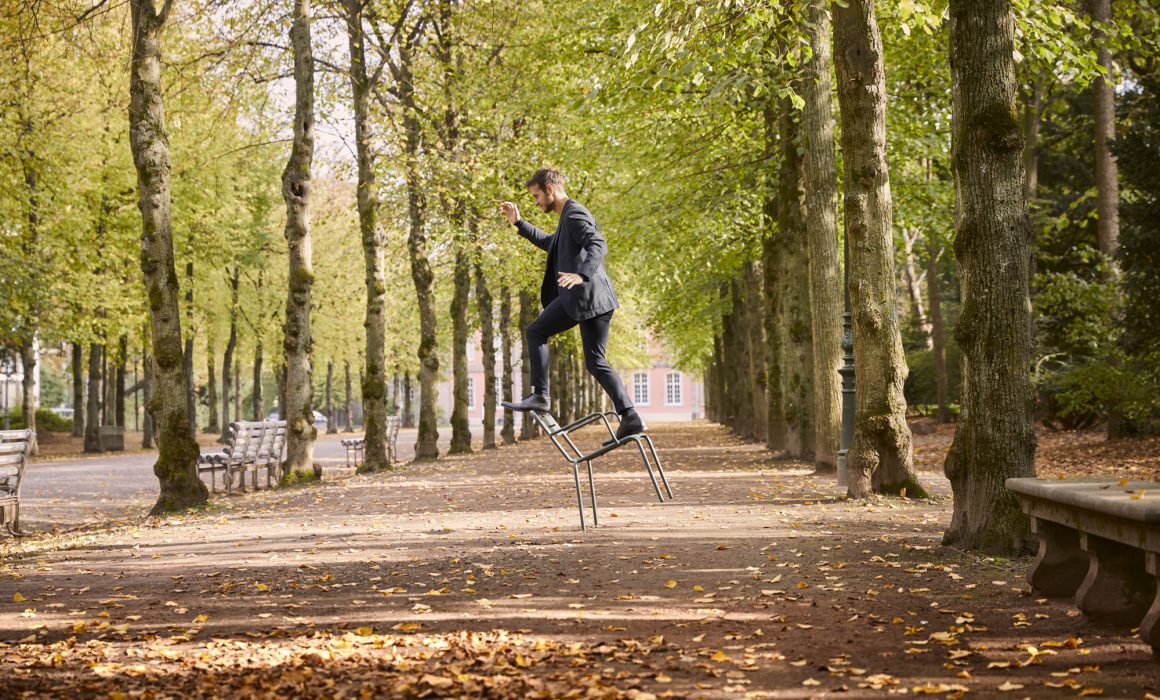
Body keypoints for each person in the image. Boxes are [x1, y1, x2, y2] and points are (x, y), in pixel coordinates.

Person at [498, 167, 646, 444]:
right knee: (596, 362)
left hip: (582, 295)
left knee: (535, 332)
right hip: (597, 301)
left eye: (537, 196)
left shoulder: (575, 214)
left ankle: (541, 396)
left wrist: (581, 274)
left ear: (550, 190)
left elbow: (597, 244)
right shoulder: (566, 218)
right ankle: (630, 416)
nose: (536, 202)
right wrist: (519, 222)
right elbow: (550, 243)